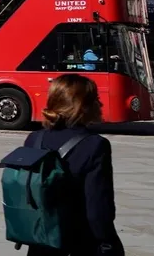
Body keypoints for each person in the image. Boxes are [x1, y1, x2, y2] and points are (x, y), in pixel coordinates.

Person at [22, 74, 123, 255]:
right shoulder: (94, 145)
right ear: (82, 105)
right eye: (96, 99)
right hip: (78, 241)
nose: (100, 104)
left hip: (41, 240)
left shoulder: (34, 139)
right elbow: (98, 207)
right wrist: (108, 243)